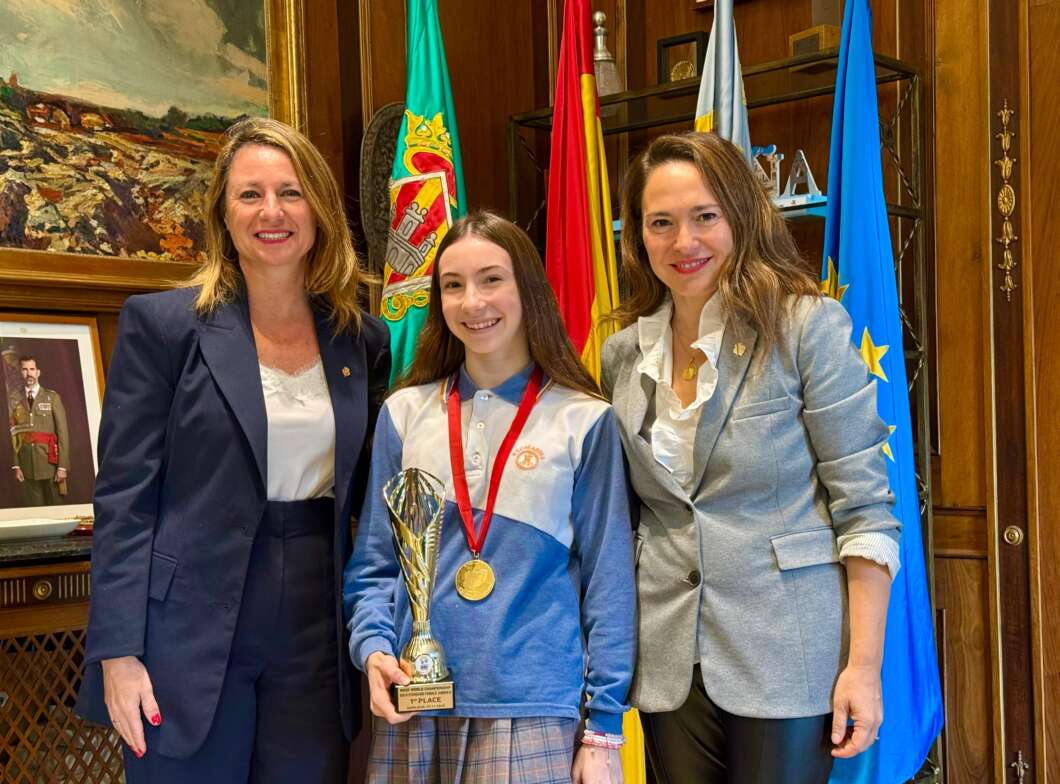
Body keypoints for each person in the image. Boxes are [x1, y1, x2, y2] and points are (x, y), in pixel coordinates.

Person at [75, 117, 391, 783]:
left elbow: (372, 492)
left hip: (314, 630)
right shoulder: (162, 327)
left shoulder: (362, 340)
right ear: (222, 211)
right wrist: (118, 653)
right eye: (250, 194)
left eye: (291, 192)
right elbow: (125, 504)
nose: (271, 211)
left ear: (321, 211)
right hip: (183, 636)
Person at [600, 132, 900, 784]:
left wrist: (864, 668)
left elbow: (866, 509)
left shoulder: (805, 328)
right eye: (662, 223)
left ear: (741, 215)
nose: (685, 242)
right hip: (668, 659)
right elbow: (622, 519)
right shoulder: (622, 356)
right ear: (638, 236)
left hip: (787, 652)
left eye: (705, 217)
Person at [343, 210, 634, 784]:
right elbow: (375, 564)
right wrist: (374, 649)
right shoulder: (405, 413)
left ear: (528, 287)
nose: (473, 302)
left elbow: (610, 580)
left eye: (492, 279)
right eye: (453, 285)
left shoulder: (583, 418)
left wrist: (603, 725)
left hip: (533, 708)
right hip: (416, 700)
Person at [9, 355, 69, 506]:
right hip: (27, 464)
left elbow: (63, 434)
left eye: (32, 369)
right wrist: (16, 465)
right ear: (20, 372)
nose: (28, 373)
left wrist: (62, 466)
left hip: (50, 463)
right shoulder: (15, 399)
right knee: (35, 510)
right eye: (24, 369)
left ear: (38, 372)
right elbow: (14, 434)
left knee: (55, 509)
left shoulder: (52, 397)